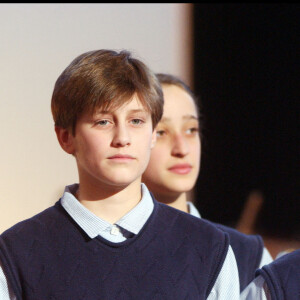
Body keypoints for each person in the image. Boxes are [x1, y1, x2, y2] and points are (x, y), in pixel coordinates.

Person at [0, 50, 240, 299]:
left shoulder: (207, 247)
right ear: (65, 137)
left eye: (136, 121)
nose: (122, 138)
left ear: (152, 134)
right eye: (103, 122)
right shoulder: (18, 252)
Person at [142, 73, 273, 292]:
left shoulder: (245, 254)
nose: (182, 148)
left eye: (191, 130)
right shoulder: (107, 247)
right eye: (162, 132)